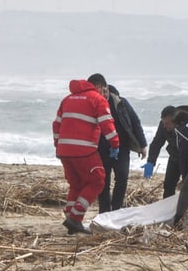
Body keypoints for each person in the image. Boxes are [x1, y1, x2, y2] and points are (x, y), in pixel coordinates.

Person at [53, 78, 120, 234]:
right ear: (98, 87)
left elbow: (56, 125)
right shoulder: (97, 99)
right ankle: (75, 218)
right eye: (104, 90)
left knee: (76, 184)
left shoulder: (67, 99)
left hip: (64, 150)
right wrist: (115, 144)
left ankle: (70, 216)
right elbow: (107, 124)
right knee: (97, 180)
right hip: (84, 150)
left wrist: (58, 144)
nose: (105, 94)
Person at [91, 75, 148, 213]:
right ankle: (104, 212)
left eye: (103, 91)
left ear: (106, 88)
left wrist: (142, 144)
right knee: (103, 182)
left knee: (122, 177)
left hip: (121, 147)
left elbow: (135, 122)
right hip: (100, 149)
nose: (101, 95)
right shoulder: (92, 104)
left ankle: (117, 210)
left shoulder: (120, 103)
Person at [143, 105, 188, 198]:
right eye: (163, 122)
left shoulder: (186, 126)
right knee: (168, 185)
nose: (164, 126)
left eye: (167, 123)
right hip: (174, 157)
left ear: (175, 121)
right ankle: (167, 209)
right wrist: (150, 162)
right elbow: (156, 143)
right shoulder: (163, 125)